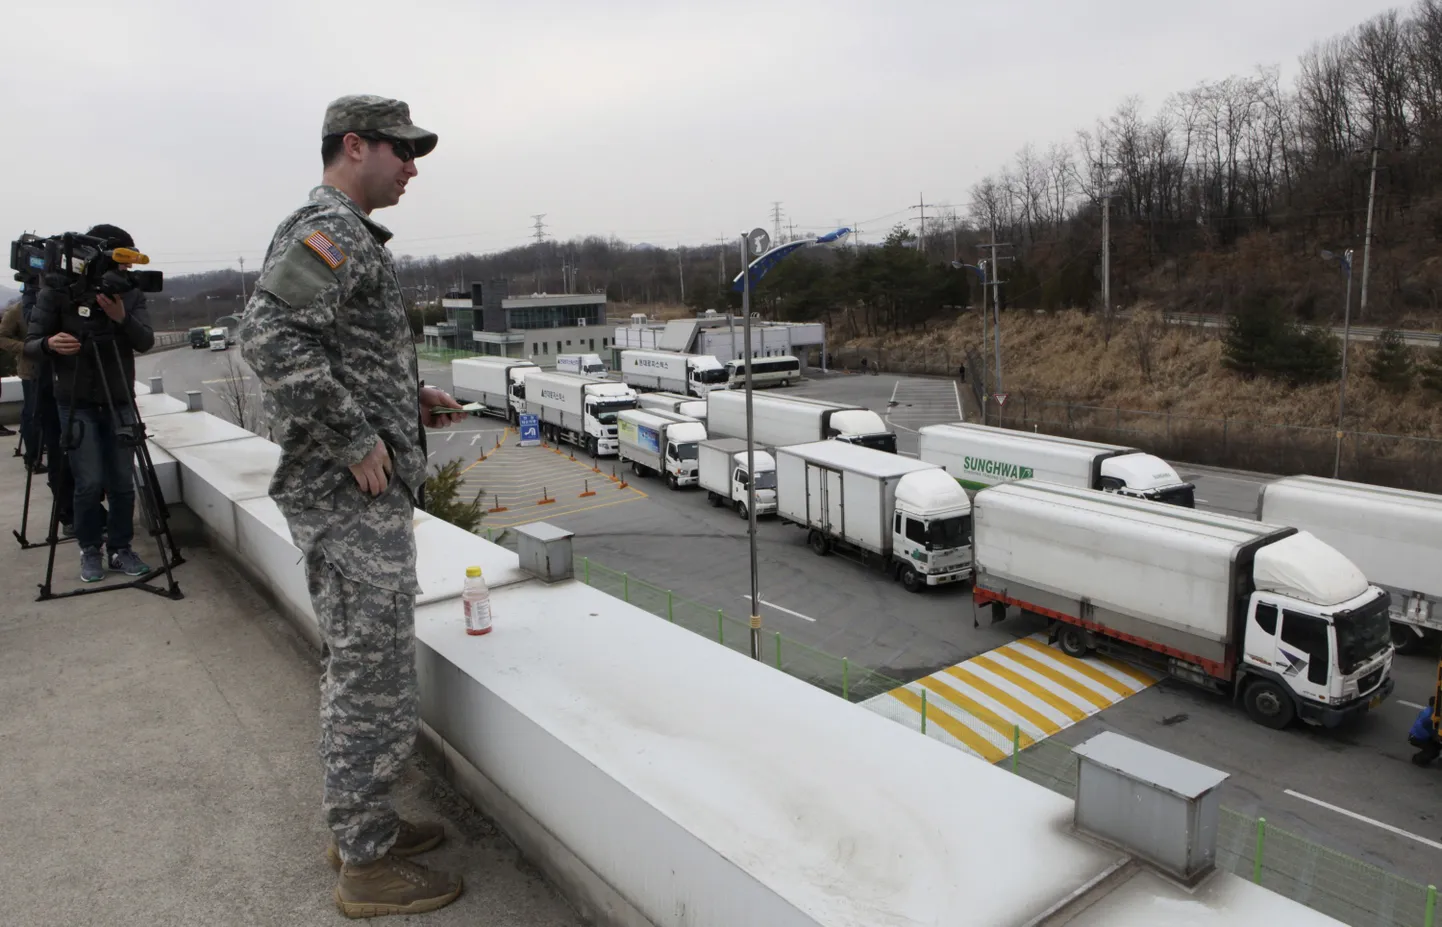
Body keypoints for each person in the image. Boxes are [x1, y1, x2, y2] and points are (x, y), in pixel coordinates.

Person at [240, 94, 467, 918]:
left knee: (360, 666)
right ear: (353, 145)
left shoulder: (347, 234)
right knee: (371, 674)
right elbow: (269, 339)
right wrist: (356, 438)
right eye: (401, 152)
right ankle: (365, 866)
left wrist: (407, 404)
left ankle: (361, 826)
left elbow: (342, 352)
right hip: (347, 497)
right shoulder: (328, 227)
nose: (412, 169)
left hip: (353, 494)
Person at [24, 225, 152, 581]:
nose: (124, 269)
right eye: (119, 260)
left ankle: (121, 549)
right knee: (89, 482)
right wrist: (50, 344)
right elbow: (30, 343)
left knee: (123, 483)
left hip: (119, 399)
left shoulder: (130, 292)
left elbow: (145, 341)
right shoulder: (59, 290)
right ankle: (90, 549)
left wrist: (120, 318)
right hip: (75, 401)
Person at [1408, 697, 1439, 767]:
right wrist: (1431, 735)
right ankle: (1417, 759)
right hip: (1416, 737)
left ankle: (1426, 757)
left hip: (1423, 735)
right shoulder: (1429, 715)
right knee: (1432, 750)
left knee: (1437, 747)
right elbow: (1420, 727)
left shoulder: (1432, 711)